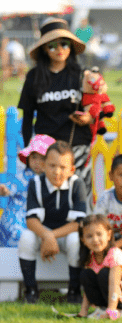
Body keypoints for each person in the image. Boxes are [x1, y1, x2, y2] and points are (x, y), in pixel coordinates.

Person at [18, 17, 105, 189]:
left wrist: (88, 119)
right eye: (52, 45)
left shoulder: (82, 75)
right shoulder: (34, 77)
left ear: (71, 46)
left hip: (77, 146)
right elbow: (27, 117)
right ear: (44, 48)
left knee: (78, 198)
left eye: (64, 44)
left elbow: (95, 107)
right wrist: (30, 152)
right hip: (46, 151)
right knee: (48, 201)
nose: (59, 49)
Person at [18, 141, 87, 304]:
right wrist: (46, 236)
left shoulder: (77, 184)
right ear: (43, 165)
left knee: (76, 240)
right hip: (42, 232)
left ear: (71, 170)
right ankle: (31, 290)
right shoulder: (35, 183)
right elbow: (31, 220)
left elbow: (78, 223)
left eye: (63, 167)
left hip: (65, 234)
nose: (57, 171)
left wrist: (51, 236)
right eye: (52, 165)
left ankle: (74, 291)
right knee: (26, 238)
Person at [76, 214, 122, 320]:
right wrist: (83, 311)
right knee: (86, 275)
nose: (95, 239)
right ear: (83, 240)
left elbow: (114, 284)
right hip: (114, 292)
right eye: (89, 236)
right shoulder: (90, 257)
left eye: (99, 234)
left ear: (109, 235)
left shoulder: (114, 255)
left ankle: (120, 310)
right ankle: (103, 308)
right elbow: (87, 288)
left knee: (105, 273)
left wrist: (111, 310)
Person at [0, 135, 54, 248]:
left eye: (42, 158)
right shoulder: (24, 177)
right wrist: (5, 190)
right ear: (28, 158)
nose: (37, 162)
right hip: (16, 220)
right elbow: (11, 188)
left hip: (37, 221)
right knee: (20, 239)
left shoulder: (51, 180)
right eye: (34, 157)